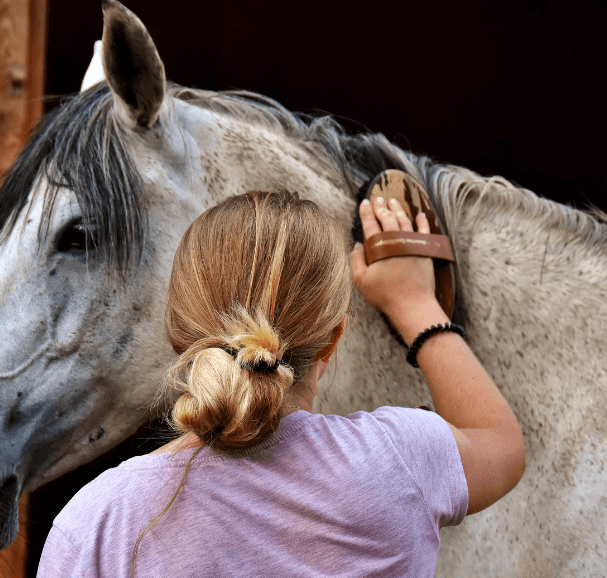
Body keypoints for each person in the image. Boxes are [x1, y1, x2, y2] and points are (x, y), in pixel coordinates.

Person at [37, 189, 526, 577]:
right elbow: (500, 445)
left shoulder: (96, 524)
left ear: (177, 334)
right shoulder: (399, 461)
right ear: (334, 339)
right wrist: (412, 301)